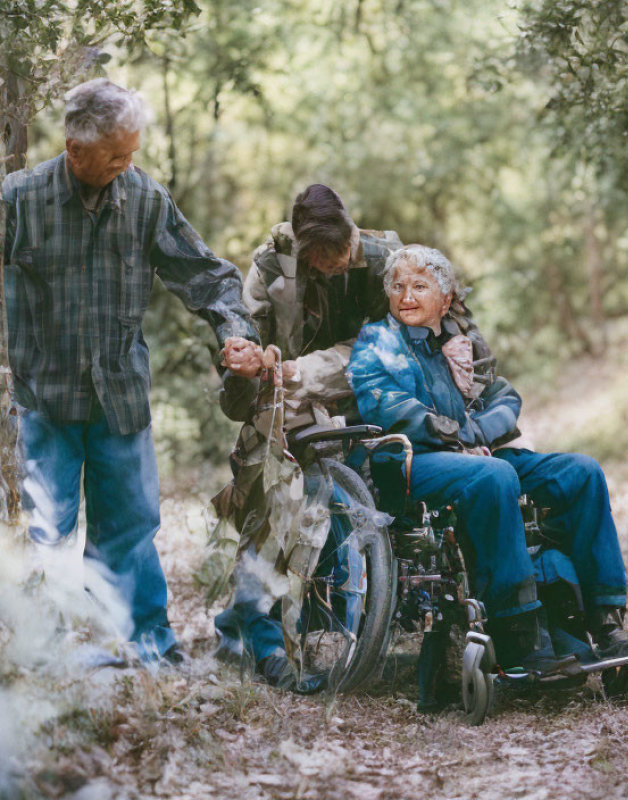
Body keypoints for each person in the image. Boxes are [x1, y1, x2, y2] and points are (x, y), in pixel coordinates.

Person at [1, 78, 259, 663]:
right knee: (43, 536)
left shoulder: (144, 198)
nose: (128, 163)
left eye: (133, 152)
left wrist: (237, 334)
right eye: (117, 154)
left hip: (119, 398)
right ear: (75, 148)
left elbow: (207, 276)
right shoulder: (17, 199)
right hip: (43, 402)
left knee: (131, 532)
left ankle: (146, 650)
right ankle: (45, 660)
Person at [212, 185, 489, 692]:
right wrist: (246, 360)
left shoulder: (385, 258)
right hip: (288, 398)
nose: (332, 267)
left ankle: (412, 616)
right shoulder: (273, 268)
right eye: (319, 260)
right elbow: (240, 332)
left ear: (351, 234)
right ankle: (261, 636)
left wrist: (455, 349)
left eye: (339, 255)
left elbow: (437, 316)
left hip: (365, 390)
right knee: (276, 504)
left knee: (385, 501)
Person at [347, 244, 628, 674]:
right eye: (397, 287)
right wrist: (457, 432)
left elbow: (505, 398)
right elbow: (388, 406)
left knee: (581, 473)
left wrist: (478, 432)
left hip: (476, 455)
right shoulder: (375, 342)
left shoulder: (461, 342)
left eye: (420, 285)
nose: (406, 296)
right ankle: (519, 631)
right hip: (413, 464)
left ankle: (603, 620)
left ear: (447, 298)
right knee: (494, 476)